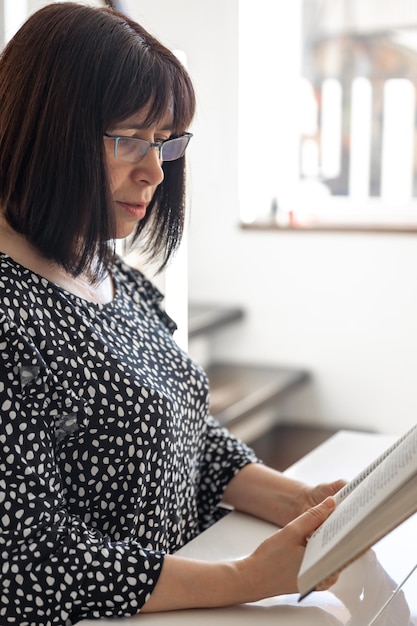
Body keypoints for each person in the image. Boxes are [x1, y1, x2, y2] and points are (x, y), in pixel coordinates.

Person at [0, 3, 344, 625]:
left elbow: (183, 436)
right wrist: (244, 578)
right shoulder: (9, 313)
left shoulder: (111, 275)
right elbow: (23, 559)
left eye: (165, 141)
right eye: (129, 137)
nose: (156, 170)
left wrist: (305, 502)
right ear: (45, 130)